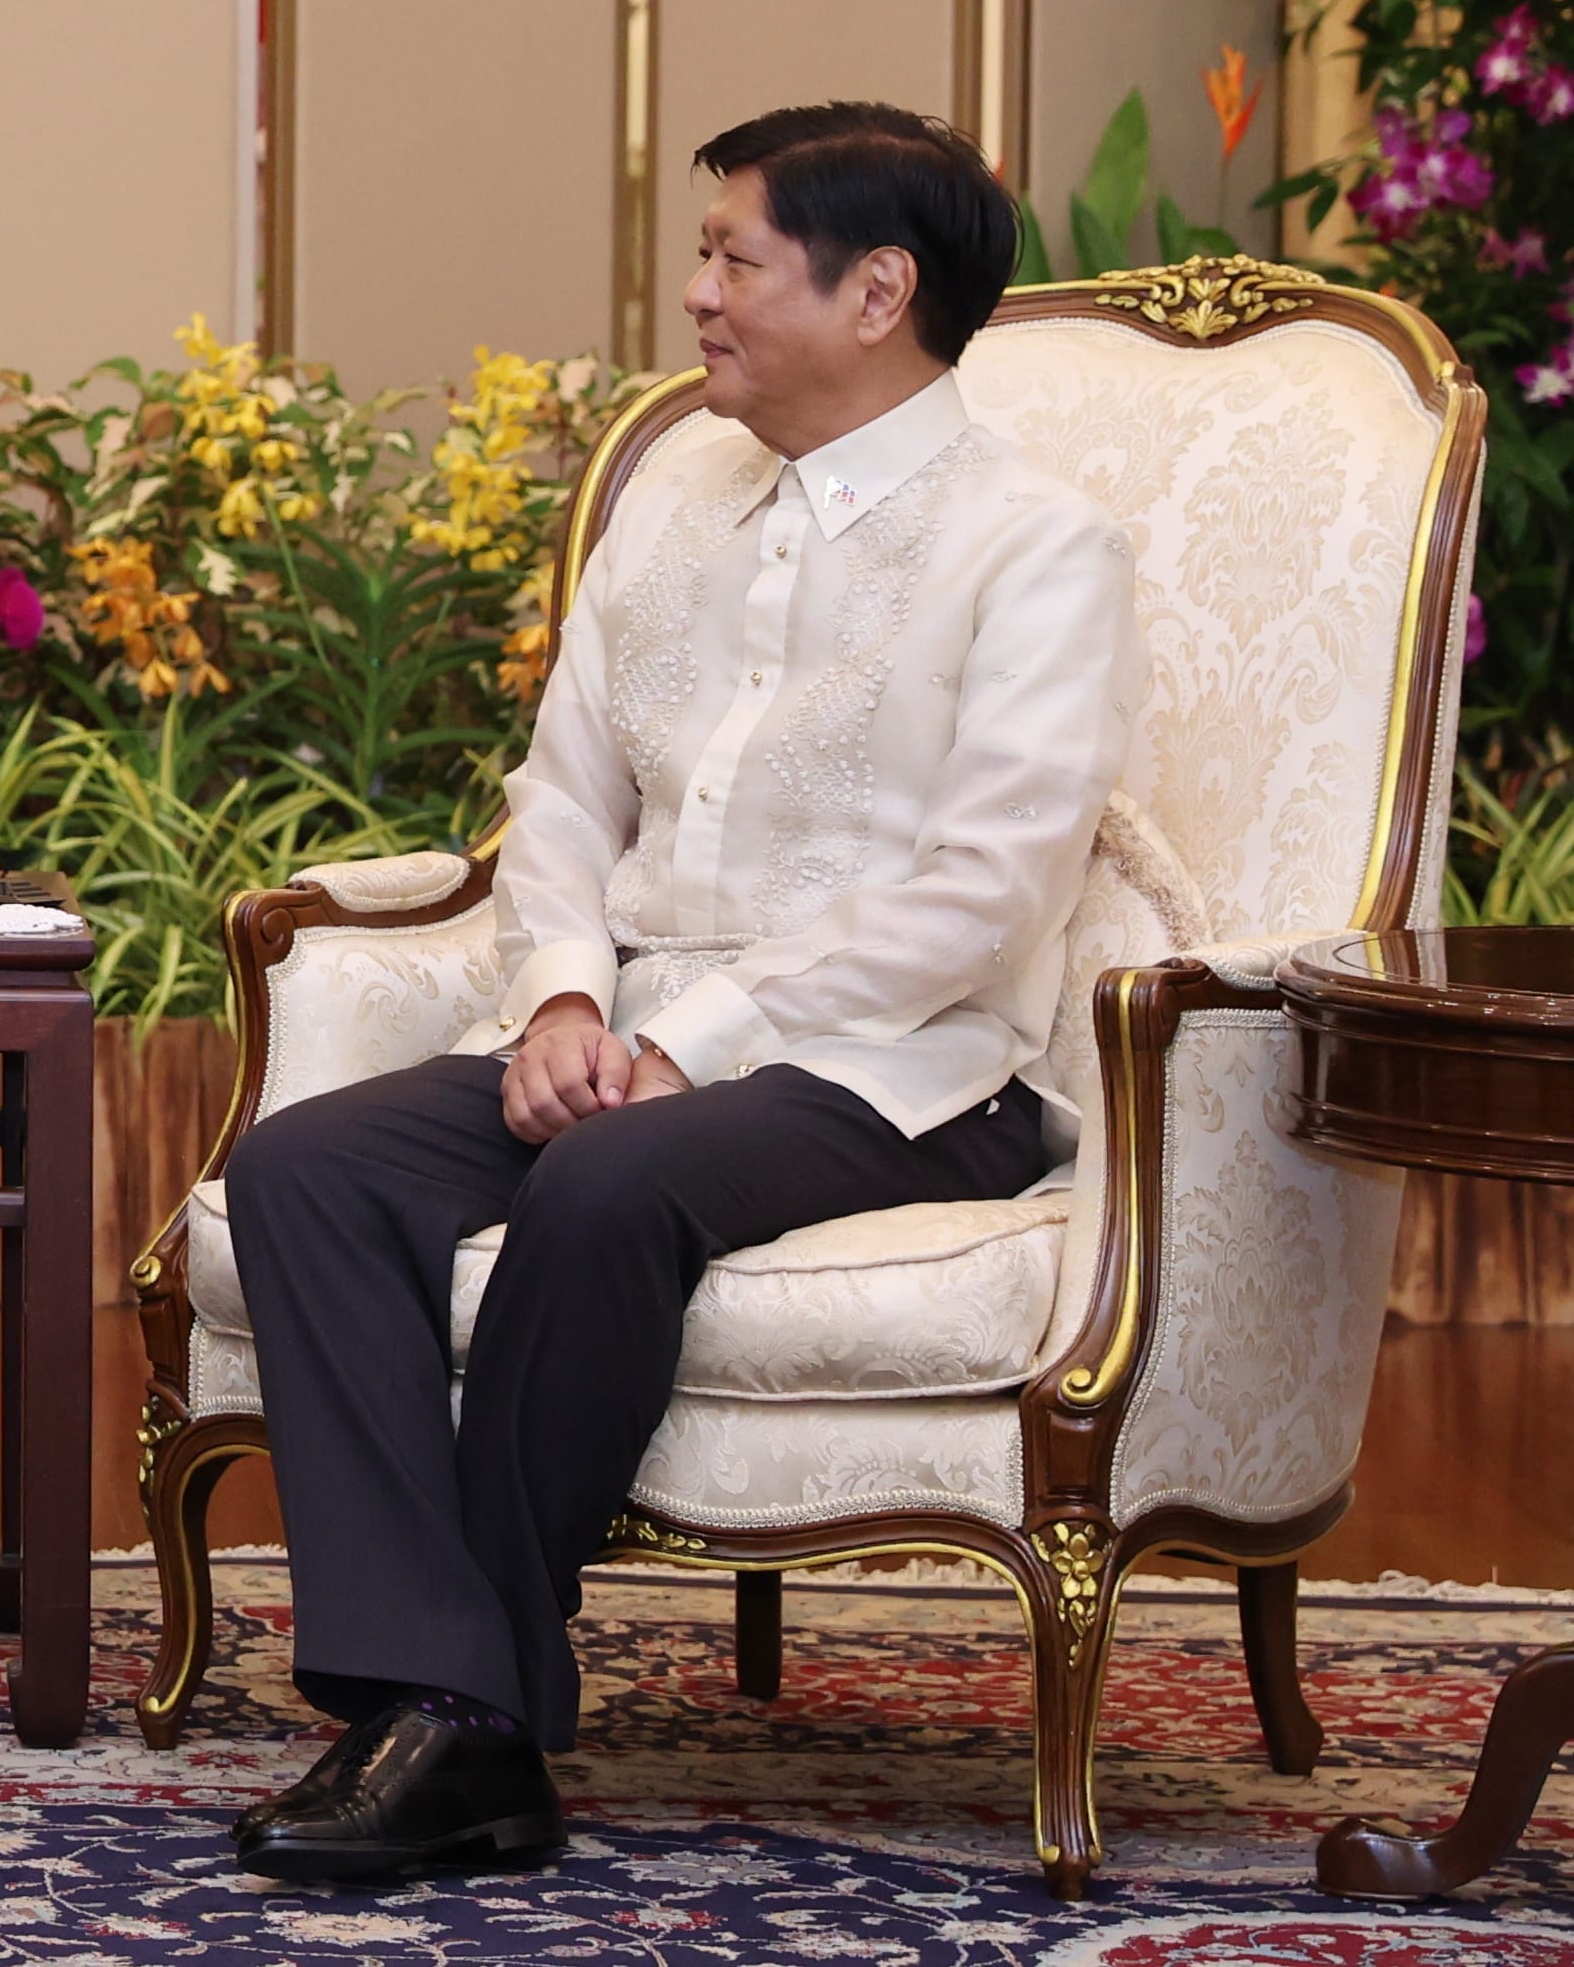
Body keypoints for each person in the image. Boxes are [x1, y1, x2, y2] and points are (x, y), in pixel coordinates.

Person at [222, 102, 1143, 1885]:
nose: (698, 294)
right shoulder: (670, 499)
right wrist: (566, 1005)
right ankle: (452, 1695)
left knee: (606, 1179)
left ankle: (458, 1719)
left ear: (879, 291)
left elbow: (989, 890)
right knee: (308, 1169)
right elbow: (564, 803)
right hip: (624, 1027)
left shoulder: (1036, 546)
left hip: (900, 1067)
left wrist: (686, 1046)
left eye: (735, 257)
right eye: (701, 256)